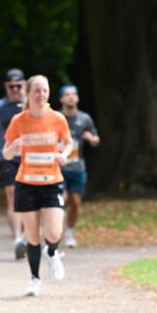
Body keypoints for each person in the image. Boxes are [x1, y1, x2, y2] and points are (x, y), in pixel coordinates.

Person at [3, 75, 73, 296]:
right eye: (37, 91)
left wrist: (63, 155)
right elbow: (5, 153)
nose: (41, 94)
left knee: (54, 231)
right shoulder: (19, 121)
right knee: (32, 237)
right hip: (26, 183)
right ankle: (35, 279)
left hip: (52, 182)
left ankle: (51, 252)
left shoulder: (57, 118)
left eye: (45, 90)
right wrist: (14, 146)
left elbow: (69, 142)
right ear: (29, 93)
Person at [0, 69, 27, 259]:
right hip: (7, 156)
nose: (16, 89)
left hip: (30, 157)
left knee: (29, 198)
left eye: (19, 85)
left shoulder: (31, 105)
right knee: (13, 197)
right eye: (12, 86)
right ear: (6, 86)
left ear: (25, 85)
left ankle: (27, 236)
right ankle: (17, 239)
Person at [58, 84, 100, 248]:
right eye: (67, 95)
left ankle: (69, 233)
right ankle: (55, 234)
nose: (70, 97)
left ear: (77, 98)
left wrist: (91, 138)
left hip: (77, 168)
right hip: (59, 168)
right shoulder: (55, 117)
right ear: (61, 99)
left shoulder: (85, 118)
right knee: (61, 199)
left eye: (73, 94)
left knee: (75, 202)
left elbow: (97, 139)